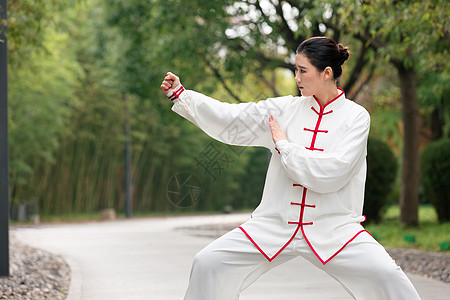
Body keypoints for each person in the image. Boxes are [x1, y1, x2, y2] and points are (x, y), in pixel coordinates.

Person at [160, 36, 421, 300]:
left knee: (387, 277)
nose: (296, 77)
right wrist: (183, 96)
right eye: (295, 69)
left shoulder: (356, 117)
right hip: (275, 222)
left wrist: (285, 147)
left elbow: (334, 172)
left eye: (302, 70)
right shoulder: (283, 109)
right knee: (208, 263)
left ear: (327, 73)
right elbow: (233, 119)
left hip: (334, 228)